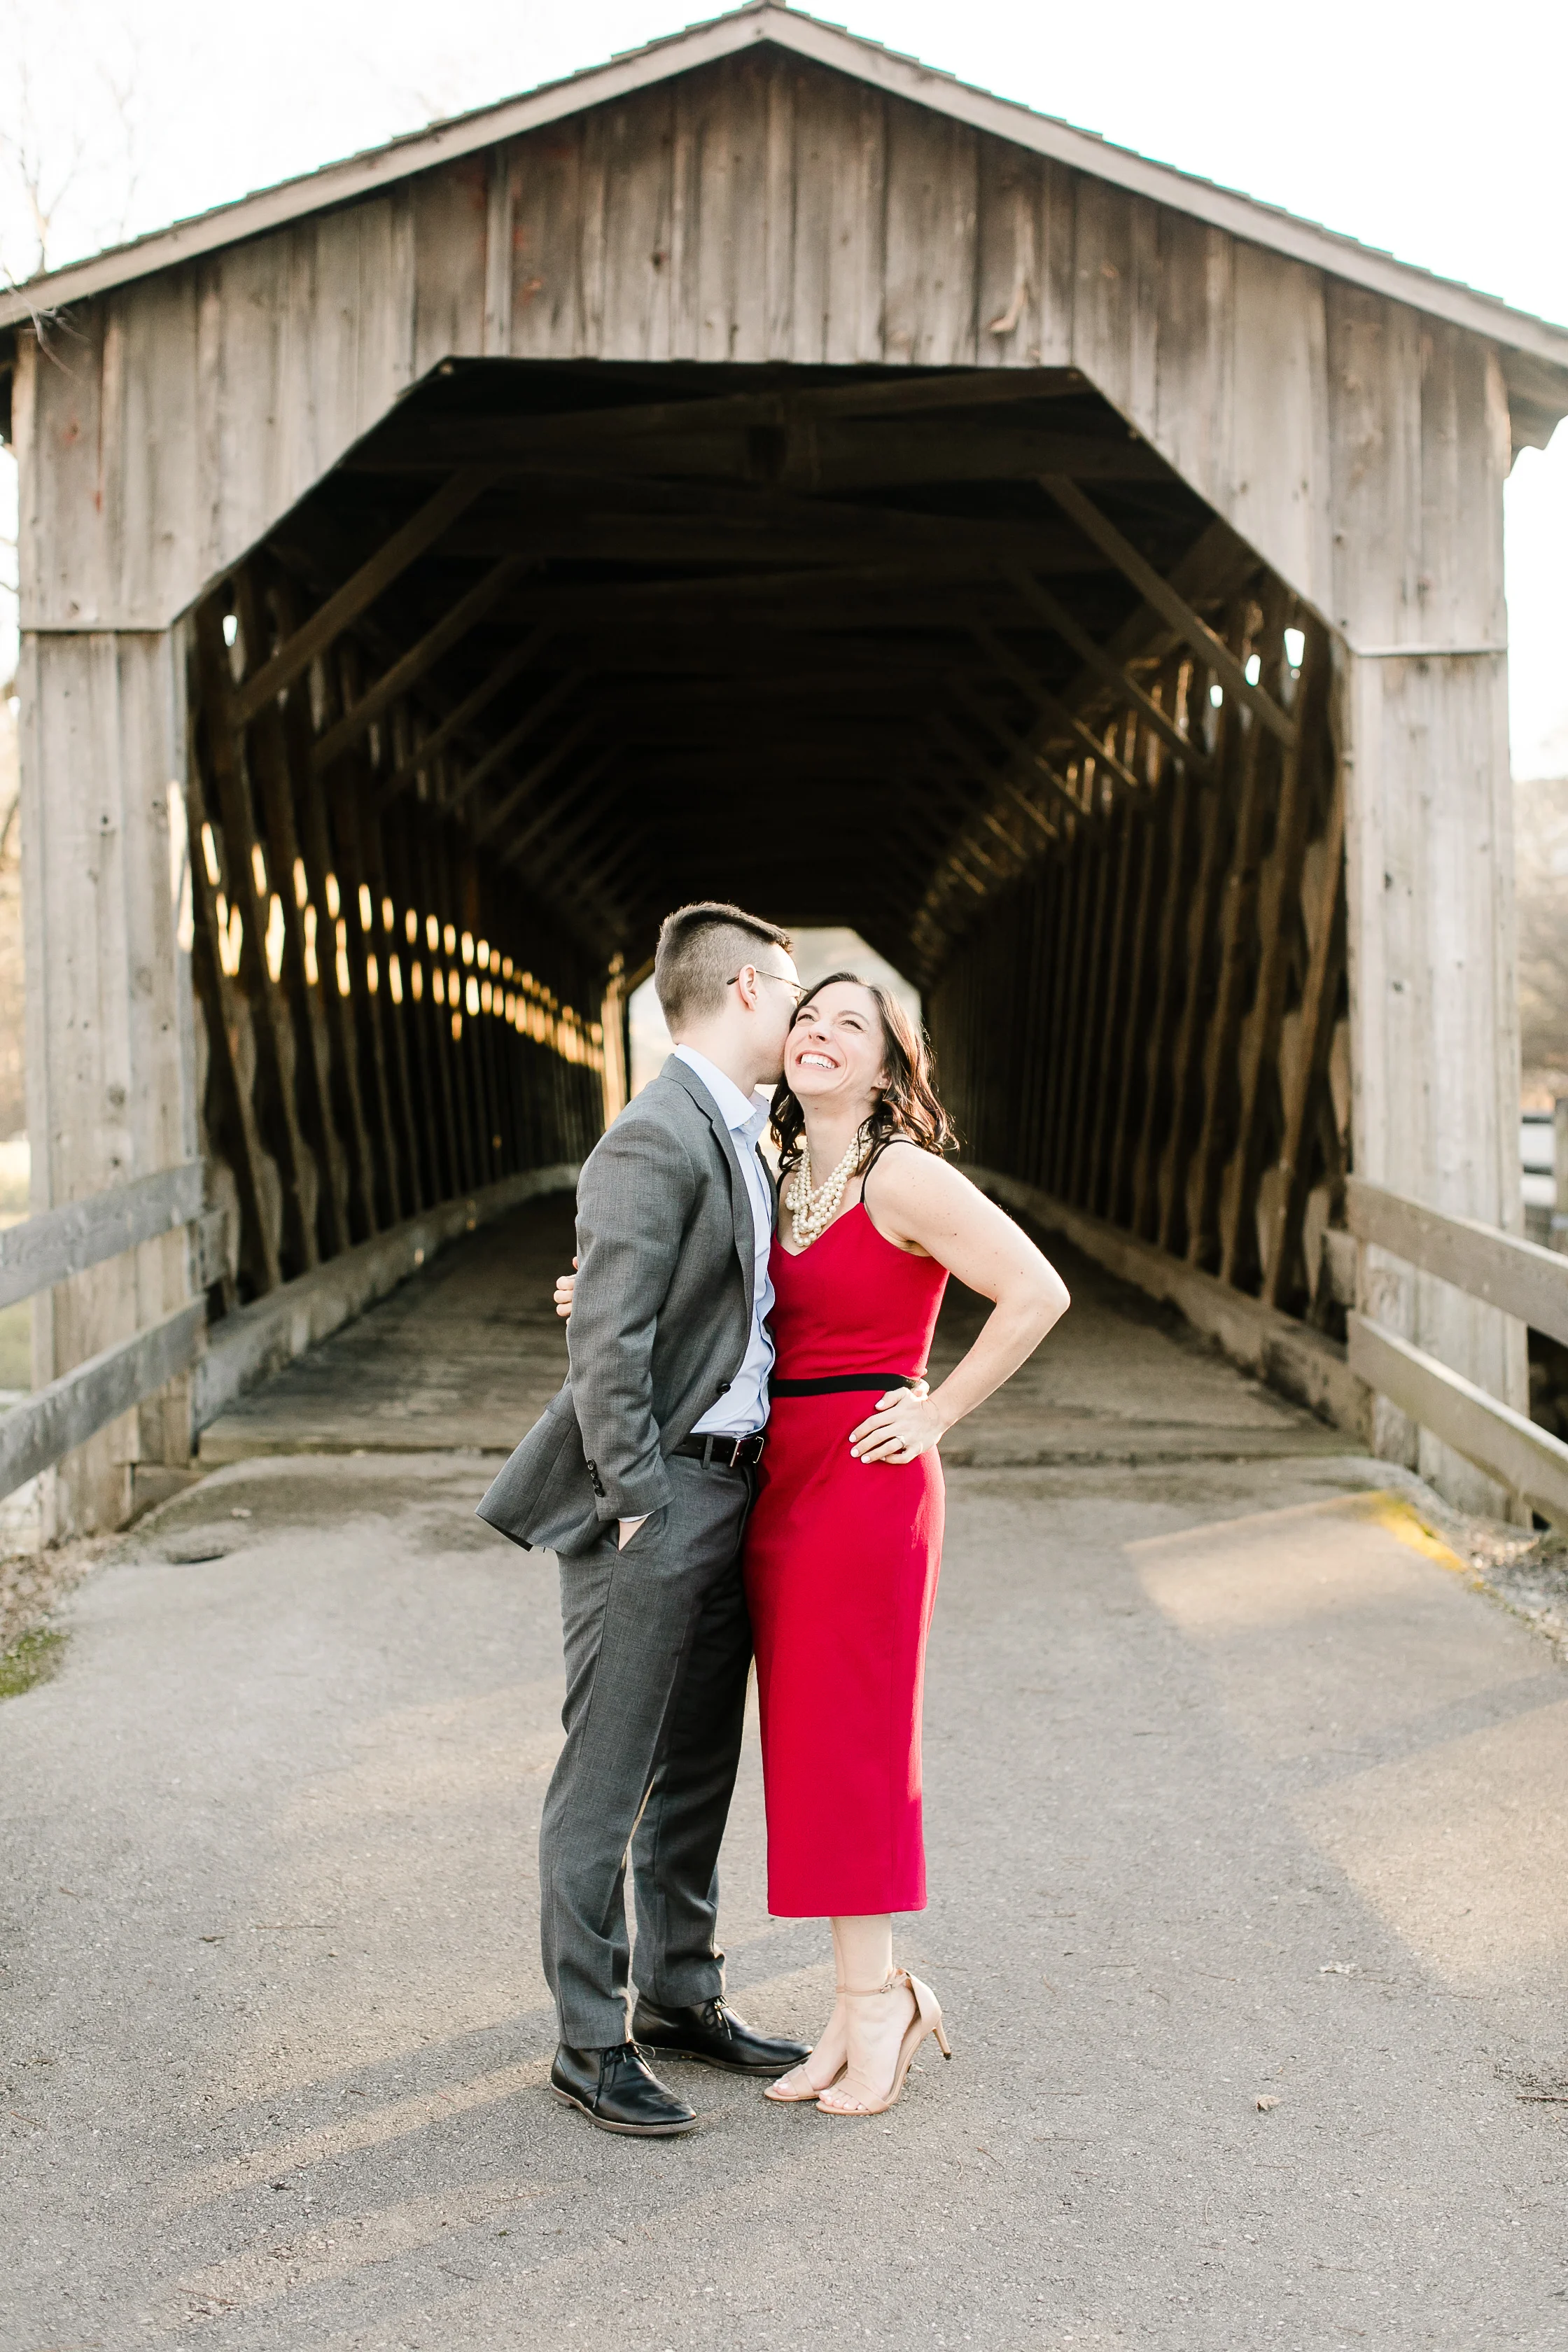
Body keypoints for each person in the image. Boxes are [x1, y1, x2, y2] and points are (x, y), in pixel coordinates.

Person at [477, 902, 813, 2137]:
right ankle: (589, 2037)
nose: (804, 1008)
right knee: (607, 1776)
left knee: (698, 1769)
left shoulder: (745, 1132)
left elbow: (718, 1308)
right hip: (660, 1494)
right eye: (790, 988)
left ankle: (681, 1990)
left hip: (737, 1486)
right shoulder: (650, 1137)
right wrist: (635, 1504)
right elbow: (605, 1352)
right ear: (742, 991)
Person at [743, 974, 1069, 2115]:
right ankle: (856, 2004)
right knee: (809, 1744)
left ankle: (880, 2002)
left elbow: (1035, 1291)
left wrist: (936, 1411)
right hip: (781, 1479)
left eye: (850, 1025)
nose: (819, 1035)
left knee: (857, 1740)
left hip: (869, 1479)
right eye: (807, 1018)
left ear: (887, 1069)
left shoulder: (905, 1175)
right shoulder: (777, 1176)